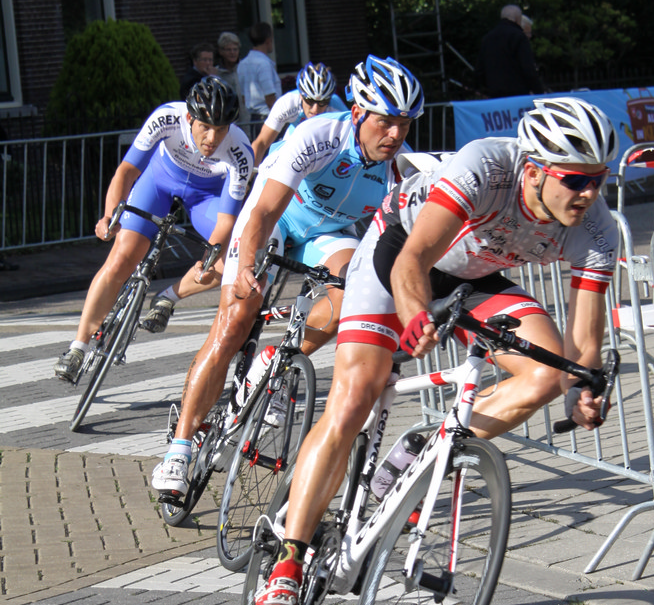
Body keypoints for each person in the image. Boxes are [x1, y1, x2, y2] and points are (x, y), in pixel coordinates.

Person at [252, 95, 619, 605]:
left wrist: (580, 391)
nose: (589, 194)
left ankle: (423, 451)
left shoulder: (597, 229)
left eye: (598, 180)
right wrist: (415, 315)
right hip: (397, 253)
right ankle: (288, 560)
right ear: (535, 171)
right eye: (576, 180)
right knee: (354, 398)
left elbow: (584, 340)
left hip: (474, 277)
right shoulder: (486, 167)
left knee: (548, 373)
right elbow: (414, 259)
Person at [151, 56, 425, 502]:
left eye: (405, 124)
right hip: (277, 219)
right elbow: (262, 211)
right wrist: (245, 269)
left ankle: (276, 359)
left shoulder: (400, 168)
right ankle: (179, 449)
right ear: (358, 113)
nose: (395, 134)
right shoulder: (319, 137)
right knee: (234, 322)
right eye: (386, 121)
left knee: (354, 292)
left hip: (326, 233)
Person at [53, 79, 253, 381]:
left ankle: (169, 297)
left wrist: (207, 261)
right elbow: (127, 171)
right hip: (159, 182)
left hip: (206, 197)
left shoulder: (240, 150)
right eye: (205, 127)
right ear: (189, 118)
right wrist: (109, 216)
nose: (212, 138)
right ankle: (78, 346)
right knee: (122, 257)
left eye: (221, 129)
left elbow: (226, 221)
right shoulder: (167, 118)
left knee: (232, 261)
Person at [251, 62, 342, 166]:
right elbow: (261, 143)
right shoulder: (287, 103)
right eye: (310, 101)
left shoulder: (337, 108)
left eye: (323, 102)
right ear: (301, 95)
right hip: (292, 151)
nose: (315, 109)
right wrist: (250, 174)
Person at [475, 4, 543, 98]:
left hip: (495, 94)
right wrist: (539, 92)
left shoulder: (487, 38)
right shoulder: (519, 37)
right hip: (518, 94)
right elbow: (528, 68)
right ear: (517, 19)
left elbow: (480, 69)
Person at [238, 22, 282, 121]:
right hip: (268, 117)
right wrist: (281, 118)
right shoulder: (263, 64)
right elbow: (270, 98)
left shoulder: (243, 64)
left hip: (253, 118)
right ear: (268, 40)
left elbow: (244, 98)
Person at [215, 31, 247, 122]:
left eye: (235, 49)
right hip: (227, 120)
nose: (232, 53)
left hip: (246, 119)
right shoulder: (216, 73)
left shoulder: (245, 68)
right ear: (221, 51)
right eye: (228, 50)